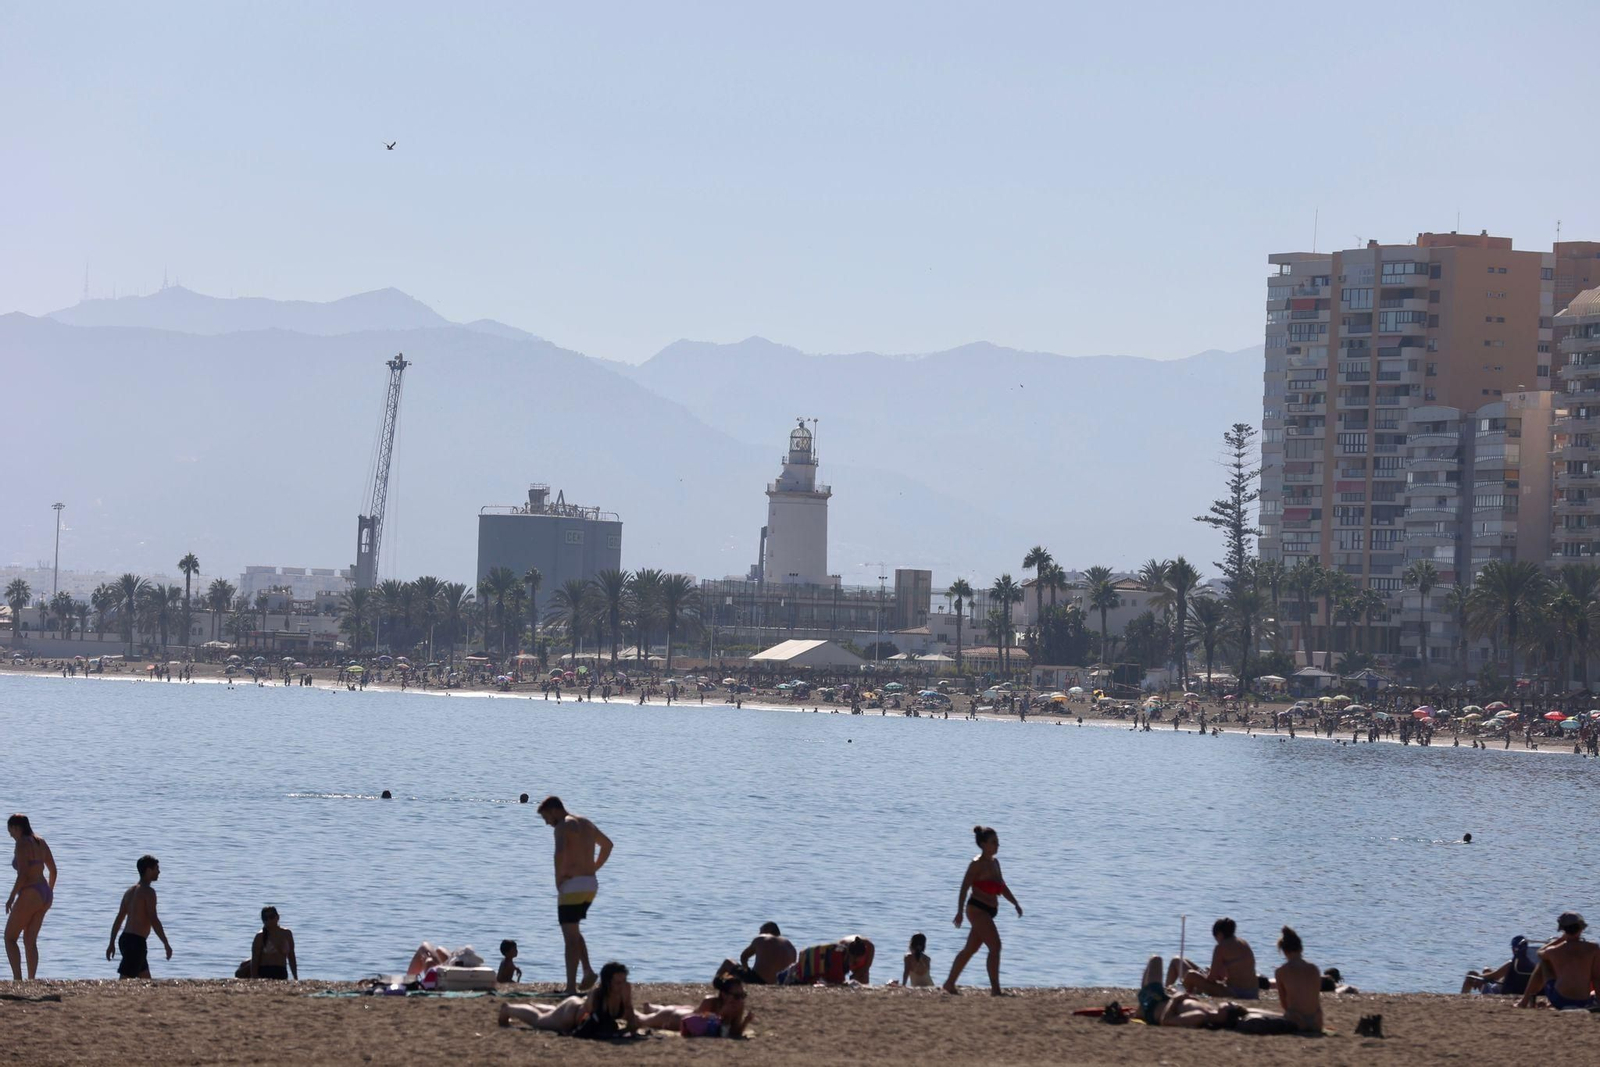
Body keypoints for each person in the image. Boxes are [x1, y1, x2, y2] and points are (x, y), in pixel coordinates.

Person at [538, 796, 614, 995]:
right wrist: (593, 868)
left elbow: (559, 853)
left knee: (569, 938)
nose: (547, 822)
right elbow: (607, 845)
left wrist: (558, 878)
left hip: (572, 885)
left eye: (546, 817)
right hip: (590, 885)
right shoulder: (586, 823)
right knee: (573, 930)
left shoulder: (563, 826)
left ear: (554, 810)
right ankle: (587, 971)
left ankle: (570, 988)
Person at [943, 825, 1021, 995]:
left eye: (998, 842)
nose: (997, 845)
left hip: (990, 910)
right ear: (984, 844)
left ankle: (949, 983)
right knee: (995, 946)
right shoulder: (976, 864)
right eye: (993, 842)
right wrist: (959, 911)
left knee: (970, 949)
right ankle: (995, 989)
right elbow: (964, 887)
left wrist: (1015, 903)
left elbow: (1002, 887)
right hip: (977, 909)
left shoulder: (995, 863)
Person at [498, 960, 638, 1035]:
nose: (622, 985)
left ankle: (538, 1006)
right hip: (570, 1015)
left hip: (573, 1009)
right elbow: (589, 1022)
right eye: (618, 982)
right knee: (539, 1021)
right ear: (607, 982)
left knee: (552, 1012)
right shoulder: (597, 995)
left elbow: (630, 1017)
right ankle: (508, 1009)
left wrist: (628, 1010)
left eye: (624, 981)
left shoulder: (625, 990)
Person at [5, 814, 57, 980]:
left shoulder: (21, 844)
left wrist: (11, 897)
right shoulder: (40, 841)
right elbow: (53, 870)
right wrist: (48, 892)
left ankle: (18, 980)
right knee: (30, 941)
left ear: (16, 828)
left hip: (31, 892)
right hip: (45, 893)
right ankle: (31, 980)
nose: (10, 835)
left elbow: (23, 875)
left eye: (10, 830)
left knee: (10, 937)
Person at [107, 855, 172, 979]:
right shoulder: (148, 892)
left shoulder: (129, 892)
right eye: (156, 868)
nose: (159, 871)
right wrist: (165, 943)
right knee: (125, 979)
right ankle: (114, 998)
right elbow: (153, 919)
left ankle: (150, 998)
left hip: (125, 939)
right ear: (148, 870)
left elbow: (119, 919)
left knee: (146, 979)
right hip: (135, 942)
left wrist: (112, 942)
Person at [1518, 912, 1600, 1009]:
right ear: (1581, 928)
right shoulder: (1593, 949)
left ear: (1563, 930)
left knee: (1544, 962)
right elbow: (1596, 978)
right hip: (1583, 1001)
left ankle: (1524, 1001)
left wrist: (1560, 940)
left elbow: (1539, 952)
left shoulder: (1555, 951)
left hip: (1560, 1000)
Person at [1166, 917, 1259, 999]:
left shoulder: (1221, 947)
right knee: (1178, 961)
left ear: (1220, 934)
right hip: (1253, 992)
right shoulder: (1243, 943)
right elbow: (1234, 971)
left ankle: (1174, 993)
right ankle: (1172, 990)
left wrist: (1206, 974)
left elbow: (1212, 979)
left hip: (1235, 993)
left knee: (1190, 975)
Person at [638, 971, 753, 1036]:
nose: (740, 1000)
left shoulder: (739, 1004)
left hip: (689, 1010)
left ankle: (652, 1008)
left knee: (685, 1009)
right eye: (737, 996)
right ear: (724, 994)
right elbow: (701, 1027)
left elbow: (734, 1033)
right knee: (642, 1020)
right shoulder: (710, 1002)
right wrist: (723, 1014)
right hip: (674, 1018)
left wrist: (746, 1021)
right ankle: (627, 1010)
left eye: (743, 995)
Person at [1271, 926, 1324, 1033]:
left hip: (1297, 1021)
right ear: (1301, 948)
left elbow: (1284, 1004)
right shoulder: (1314, 969)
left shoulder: (1281, 971)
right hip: (1317, 1022)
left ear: (1284, 951)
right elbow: (1315, 997)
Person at [719, 921, 796, 985]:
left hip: (758, 980)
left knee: (728, 962)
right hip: (780, 982)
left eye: (760, 931)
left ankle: (716, 985)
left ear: (767, 930)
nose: (759, 933)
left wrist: (747, 970)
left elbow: (744, 957)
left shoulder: (762, 938)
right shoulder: (790, 946)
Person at [776, 936, 875, 985]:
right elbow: (838, 983)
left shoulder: (840, 951)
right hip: (798, 972)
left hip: (801, 966)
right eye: (854, 962)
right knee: (780, 980)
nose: (854, 965)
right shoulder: (837, 960)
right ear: (850, 956)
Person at [1462, 936, 1537, 995]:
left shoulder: (1512, 964)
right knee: (1487, 969)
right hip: (1518, 989)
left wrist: (1479, 977)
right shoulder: (1532, 964)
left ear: (1514, 949)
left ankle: (1462, 999)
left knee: (1471, 975)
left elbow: (1493, 976)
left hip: (1497, 992)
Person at [250, 906, 297, 980]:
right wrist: (254, 978)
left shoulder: (286, 934)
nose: (269, 920)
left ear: (277, 917)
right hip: (265, 971)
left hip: (280, 970)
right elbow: (255, 960)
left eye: (271, 917)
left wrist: (295, 976)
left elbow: (291, 956)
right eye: (265, 918)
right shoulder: (260, 936)